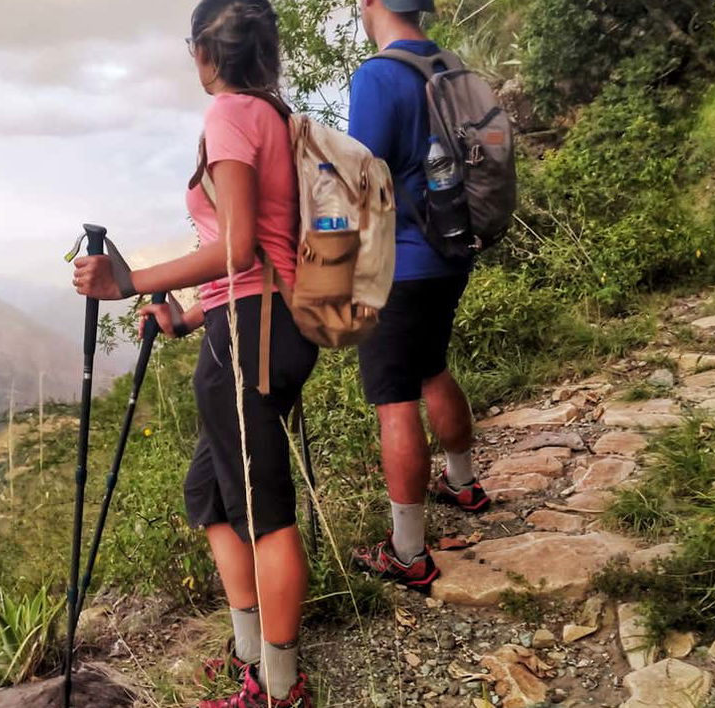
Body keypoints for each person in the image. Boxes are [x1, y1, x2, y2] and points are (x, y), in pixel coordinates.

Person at [71, 1, 316, 705]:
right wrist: (186, 314)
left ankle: (280, 685)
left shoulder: (233, 115)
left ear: (204, 51)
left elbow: (238, 245)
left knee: (262, 512)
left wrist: (130, 281)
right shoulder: (273, 114)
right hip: (249, 323)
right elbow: (260, 249)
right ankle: (251, 656)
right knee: (208, 494)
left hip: (254, 334)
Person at [346, 0, 490, 591]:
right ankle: (462, 483)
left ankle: (408, 552)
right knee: (432, 365)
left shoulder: (379, 76)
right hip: (454, 250)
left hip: (400, 266)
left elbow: (357, 177)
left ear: (372, 3)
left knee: (394, 397)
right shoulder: (450, 65)